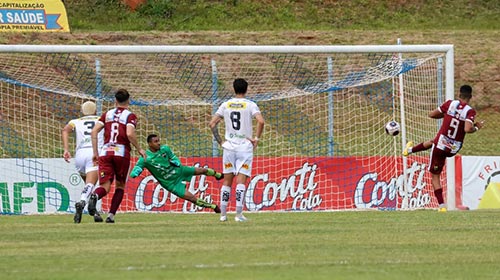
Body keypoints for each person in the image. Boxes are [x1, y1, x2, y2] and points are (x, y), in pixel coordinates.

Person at [403, 85, 484, 211]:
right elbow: (468, 128)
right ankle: (409, 150)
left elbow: (431, 115)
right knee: (432, 141)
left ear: (459, 94)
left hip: (441, 145)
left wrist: (446, 114)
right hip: (453, 148)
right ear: (470, 97)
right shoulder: (469, 111)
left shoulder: (450, 104)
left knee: (435, 176)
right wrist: (477, 127)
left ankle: (441, 206)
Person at [208, 78, 265, 222]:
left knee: (227, 181)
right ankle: (239, 215)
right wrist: (256, 139)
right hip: (244, 147)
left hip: (229, 147)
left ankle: (223, 215)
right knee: (241, 181)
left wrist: (221, 142)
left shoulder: (226, 104)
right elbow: (261, 121)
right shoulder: (250, 105)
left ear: (233, 89)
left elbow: (212, 123)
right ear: (246, 89)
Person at [88, 89, 146, 223]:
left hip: (105, 153)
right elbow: (130, 133)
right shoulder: (130, 116)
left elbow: (94, 131)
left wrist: (95, 152)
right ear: (129, 100)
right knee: (120, 185)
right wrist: (139, 148)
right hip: (121, 153)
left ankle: (95, 196)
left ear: (115, 100)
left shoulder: (107, 114)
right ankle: (111, 216)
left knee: (105, 186)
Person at [130, 134, 223, 212]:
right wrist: (136, 172)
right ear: (149, 144)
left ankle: (218, 175)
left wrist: (176, 162)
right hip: (171, 183)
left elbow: (173, 158)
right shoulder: (145, 158)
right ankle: (213, 207)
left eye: (158, 141)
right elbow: (137, 168)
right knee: (191, 198)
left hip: (180, 171)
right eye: (155, 141)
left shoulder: (165, 149)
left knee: (203, 170)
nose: (158, 143)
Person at [62, 101, 103, 223]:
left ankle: (94, 212)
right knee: (91, 185)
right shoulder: (101, 119)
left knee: (88, 185)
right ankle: (81, 203)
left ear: (82, 111)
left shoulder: (75, 121)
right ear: (95, 111)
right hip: (94, 153)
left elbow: (65, 131)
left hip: (79, 155)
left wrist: (66, 149)